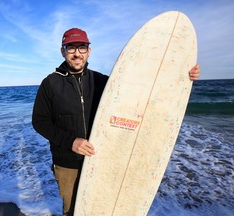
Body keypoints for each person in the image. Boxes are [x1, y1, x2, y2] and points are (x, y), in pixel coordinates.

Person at [32, 28, 200, 216]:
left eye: (82, 47)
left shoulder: (102, 81)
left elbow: (142, 89)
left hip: (101, 160)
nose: (77, 53)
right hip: (67, 163)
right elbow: (40, 121)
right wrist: (71, 142)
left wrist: (181, 76)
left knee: (101, 209)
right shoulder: (51, 83)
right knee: (72, 211)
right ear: (63, 51)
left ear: (89, 50)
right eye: (71, 48)